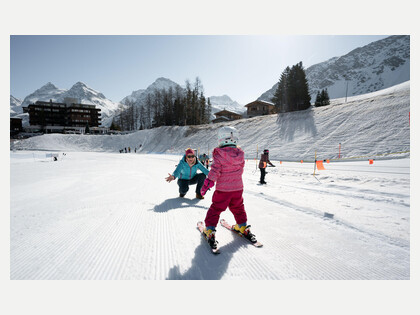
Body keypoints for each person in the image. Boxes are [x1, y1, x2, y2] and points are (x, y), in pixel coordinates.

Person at [200, 126, 257, 249]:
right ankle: (242, 226)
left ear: (220, 139)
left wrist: (207, 184)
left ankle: (210, 230)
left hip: (223, 190)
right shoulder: (240, 154)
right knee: (238, 208)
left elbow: (215, 171)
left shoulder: (219, 154)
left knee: (215, 209)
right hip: (237, 188)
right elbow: (240, 170)